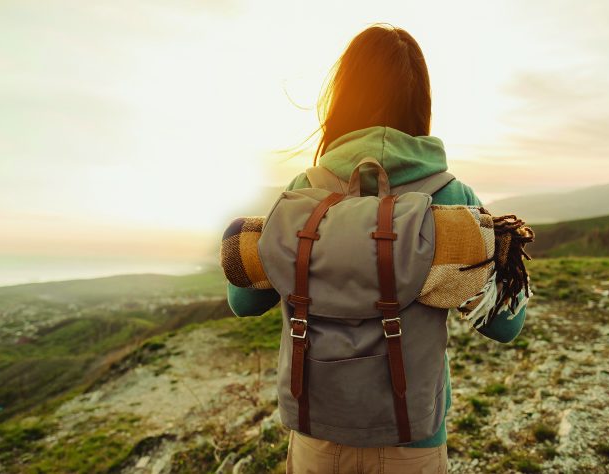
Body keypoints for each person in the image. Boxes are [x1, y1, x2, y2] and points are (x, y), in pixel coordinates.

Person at [226, 24, 527, 474]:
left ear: (342, 100)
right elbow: (506, 325)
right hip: (414, 441)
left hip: (316, 439)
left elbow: (243, 300)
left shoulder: (301, 194)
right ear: (421, 105)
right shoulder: (450, 196)